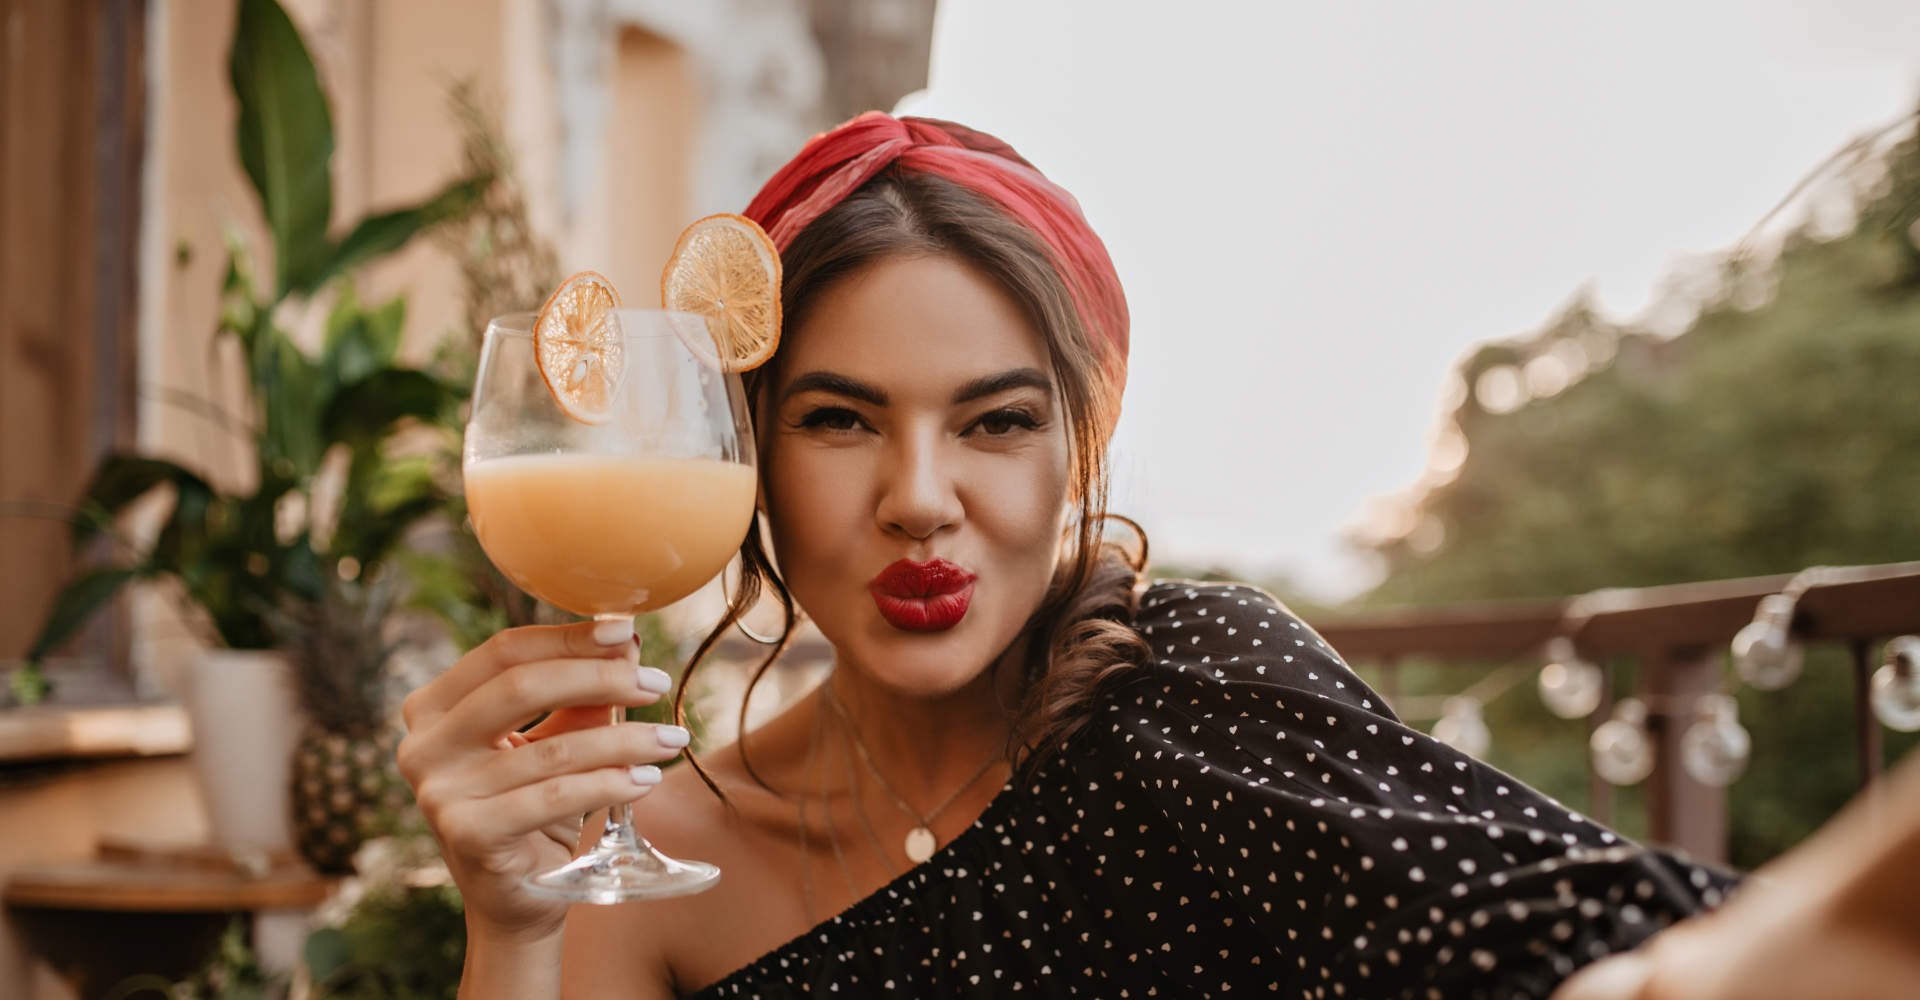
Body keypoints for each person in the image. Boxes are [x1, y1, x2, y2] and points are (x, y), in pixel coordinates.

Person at [397, 112, 1918, 998]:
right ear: (741, 450)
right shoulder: (655, 858)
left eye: (994, 425)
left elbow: (1532, 925)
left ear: (1080, 442)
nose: (922, 500)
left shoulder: (1194, 692)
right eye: (842, 421)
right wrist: (510, 930)